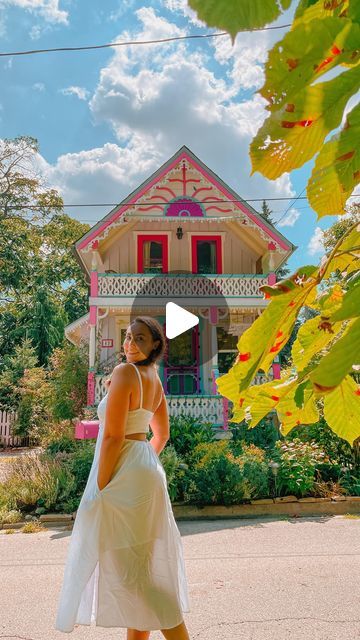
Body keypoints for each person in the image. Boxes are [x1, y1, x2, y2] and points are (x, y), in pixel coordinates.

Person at [55, 316, 191, 640]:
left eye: (140, 339)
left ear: (155, 346)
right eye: (128, 337)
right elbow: (161, 434)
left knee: (134, 576)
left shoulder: (125, 373)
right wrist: (142, 463)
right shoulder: (152, 378)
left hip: (125, 470)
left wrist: (101, 488)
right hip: (146, 468)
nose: (130, 343)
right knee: (139, 567)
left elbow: (114, 437)